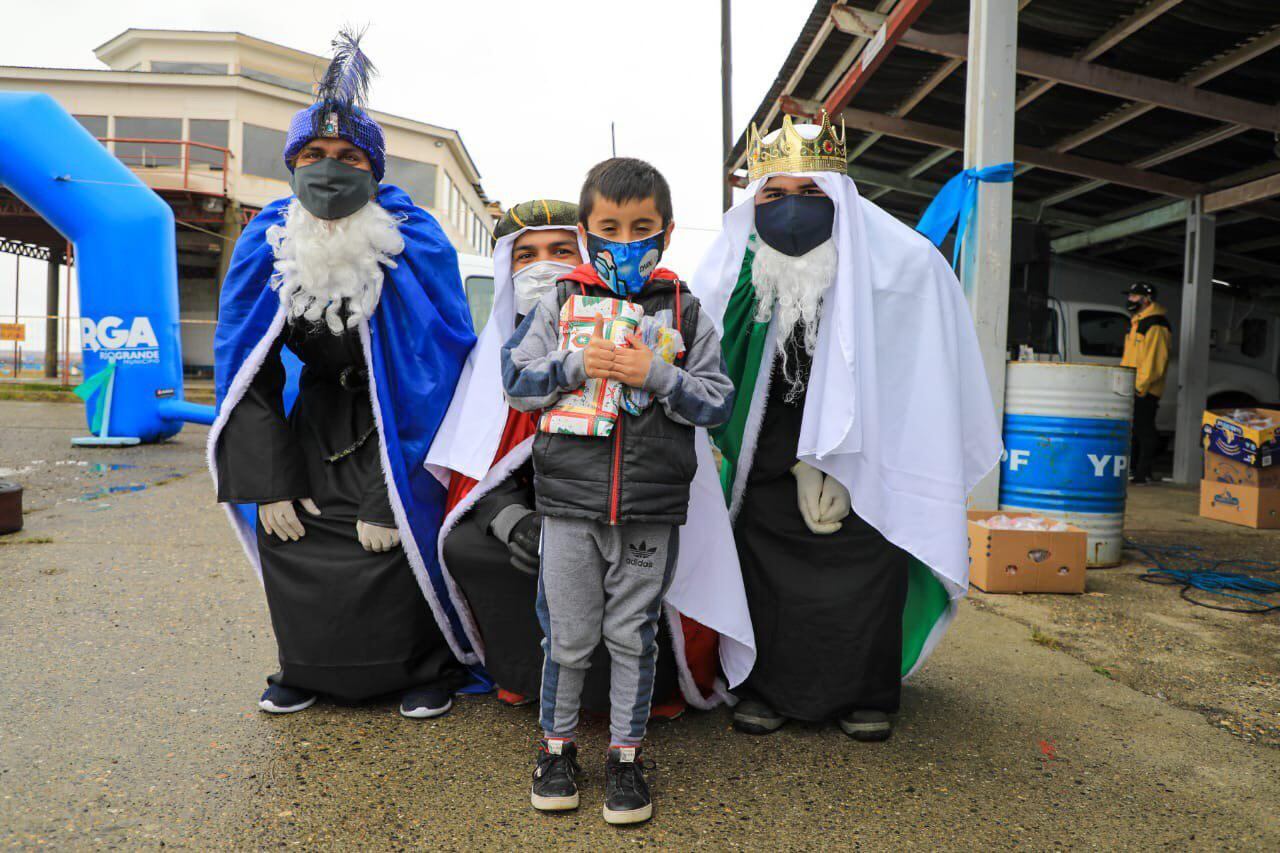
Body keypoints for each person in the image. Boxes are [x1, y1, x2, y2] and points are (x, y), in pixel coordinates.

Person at [692, 112, 1003, 742]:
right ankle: (767, 687)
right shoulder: (734, 272)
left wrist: (840, 461)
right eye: (773, 195)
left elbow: (927, 386)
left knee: (862, 574)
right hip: (769, 463)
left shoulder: (907, 268)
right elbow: (712, 371)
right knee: (765, 568)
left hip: (872, 468)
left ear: (840, 196)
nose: (791, 210)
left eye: (810, 195)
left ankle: (866, 694)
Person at [207, 30, 477, 719]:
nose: (331, 169)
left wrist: (399, 487)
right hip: (314, 419)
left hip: (398, 421)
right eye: (315, 156)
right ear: (294, 163)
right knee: (292, 530)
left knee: (399, 538)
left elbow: (441, 366)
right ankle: (305, 669)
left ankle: (424, 669)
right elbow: (248, 363)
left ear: (374, 168)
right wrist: (267, 478)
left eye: (348, 156)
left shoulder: (417, 240)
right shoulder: (266, 238)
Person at [501, 159, 744, 824]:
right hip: (570, 506)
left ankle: (626, 758)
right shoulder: (559, 302)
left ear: (665, 233)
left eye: (642, 229)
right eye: (610, 228)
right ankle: (556, 750)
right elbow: (516, 381)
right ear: (586, 232)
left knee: (633, 636)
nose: (625, 242)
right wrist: (577, 363)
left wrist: (659, 375)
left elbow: (719, 403)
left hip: (649, 510)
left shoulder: (686, 309)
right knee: (569, 638)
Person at [427, 200, 731, 722]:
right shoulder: (492, 356)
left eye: (560, 250)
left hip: (631, 502)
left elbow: (702, 408)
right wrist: (509, 518)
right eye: (527, 254)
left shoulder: (662, 319)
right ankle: (524, 682)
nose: (544, 265)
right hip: (543, 510)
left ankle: (636, 715)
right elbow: (475, 465)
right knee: (472, 547)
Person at [1121, 282, 1171, 485]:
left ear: (1146, 299)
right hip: (1133, 384)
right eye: (1130, 296)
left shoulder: (1155, 325)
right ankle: (1137, 471)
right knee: (1136, 431)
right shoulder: (1138, 323)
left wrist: (1140, 387)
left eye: (1135, 296)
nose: (1130, 300)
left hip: (1145, 388)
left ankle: (1143, 474)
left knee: (1144, 430)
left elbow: (1155, 361)